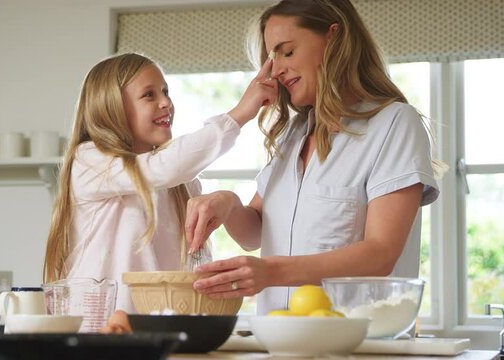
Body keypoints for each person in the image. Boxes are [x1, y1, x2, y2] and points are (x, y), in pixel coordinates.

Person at [186, 0, 442, 315]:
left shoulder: (394, 124)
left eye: (287, 52)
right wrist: (227, 203)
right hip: (280, 338)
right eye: (272, 58)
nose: (276, 69)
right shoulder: (292, 135)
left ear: (333, 38)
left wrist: (271, 272)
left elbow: (381, 253)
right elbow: (253, 234)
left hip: (357, 343)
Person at [43, 53, 277, 311]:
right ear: (112, 107)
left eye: (166, 92)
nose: (166, 102)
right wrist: (241, 113)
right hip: (97, 330)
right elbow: (161, 169)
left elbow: (189, 264)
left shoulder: (182, 183)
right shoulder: (89, 161)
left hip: (159, 328)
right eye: (149, 95)